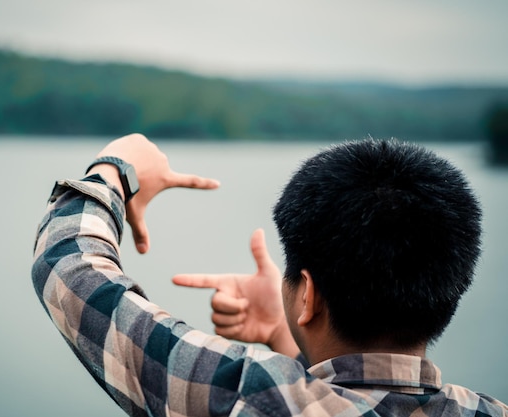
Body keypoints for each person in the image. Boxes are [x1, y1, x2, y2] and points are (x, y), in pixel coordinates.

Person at [32, 133, 507, 416]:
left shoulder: (254, 398)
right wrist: (288, 334)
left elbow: (68, 271)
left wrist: (115, 170)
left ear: (309, 296)